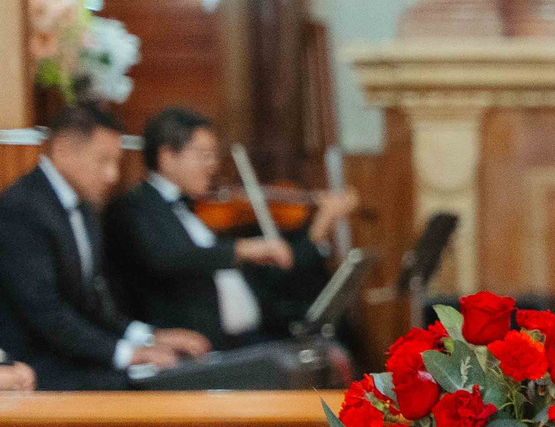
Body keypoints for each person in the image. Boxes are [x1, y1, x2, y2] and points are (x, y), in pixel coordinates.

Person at [104, 106, 355, 348]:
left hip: (249, 336)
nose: (213, 165)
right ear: (167, 157)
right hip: (200, 350)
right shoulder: (133, 207)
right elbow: (169, 257)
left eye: (214, 155)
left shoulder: (190, 211)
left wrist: (319, 226)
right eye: (204, 155)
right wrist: (241, 249)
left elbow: (275, 263)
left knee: (336, 338)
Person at [0, 104, 211, 388]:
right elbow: (45, 313)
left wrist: (148, 336)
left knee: (180, 376)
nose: (112, 175)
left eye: (116, 163)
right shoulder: (23, 208)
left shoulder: (83, 207)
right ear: (62, 149)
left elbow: (91, 304)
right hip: (34, 367)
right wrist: (126, 354)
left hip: (76, 355)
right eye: (102, 161)